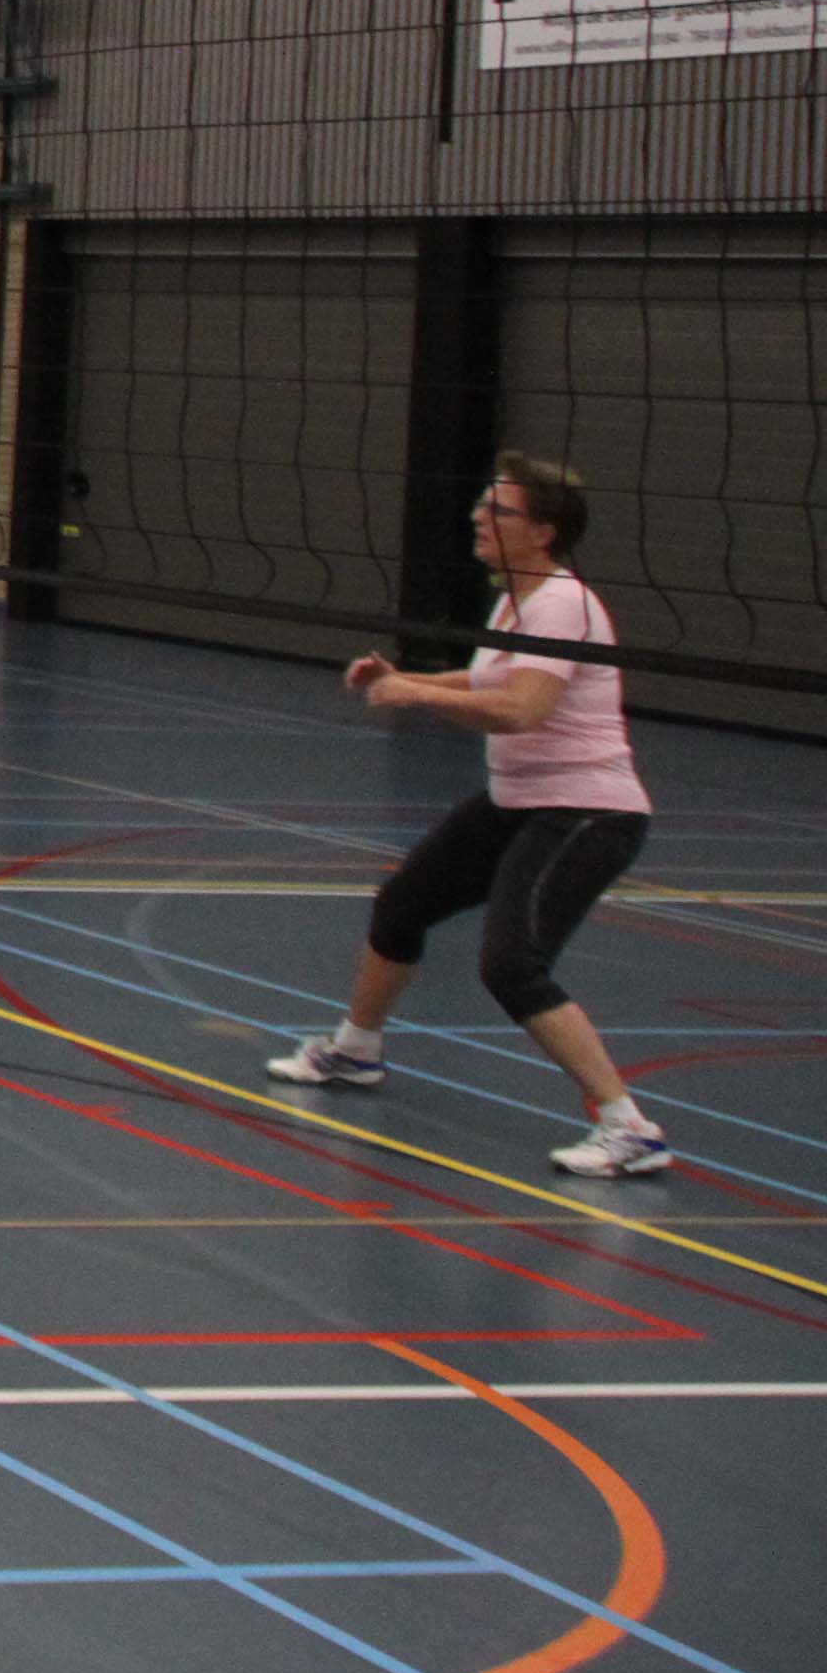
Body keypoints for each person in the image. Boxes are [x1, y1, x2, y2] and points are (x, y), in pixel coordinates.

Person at [270, 453, 671, 1181]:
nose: (479, 517)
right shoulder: (515, 597)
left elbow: (522, 709)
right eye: (483, 504)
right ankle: (355, 1051)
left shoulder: (564, 603)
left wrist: (417, 697)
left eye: (499, 510)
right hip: (517, 800)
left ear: (543, 531)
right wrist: (408, 678)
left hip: (585, 811)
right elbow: (492, 679)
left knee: (512, 967)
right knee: (402, 905)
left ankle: (629, 1128)